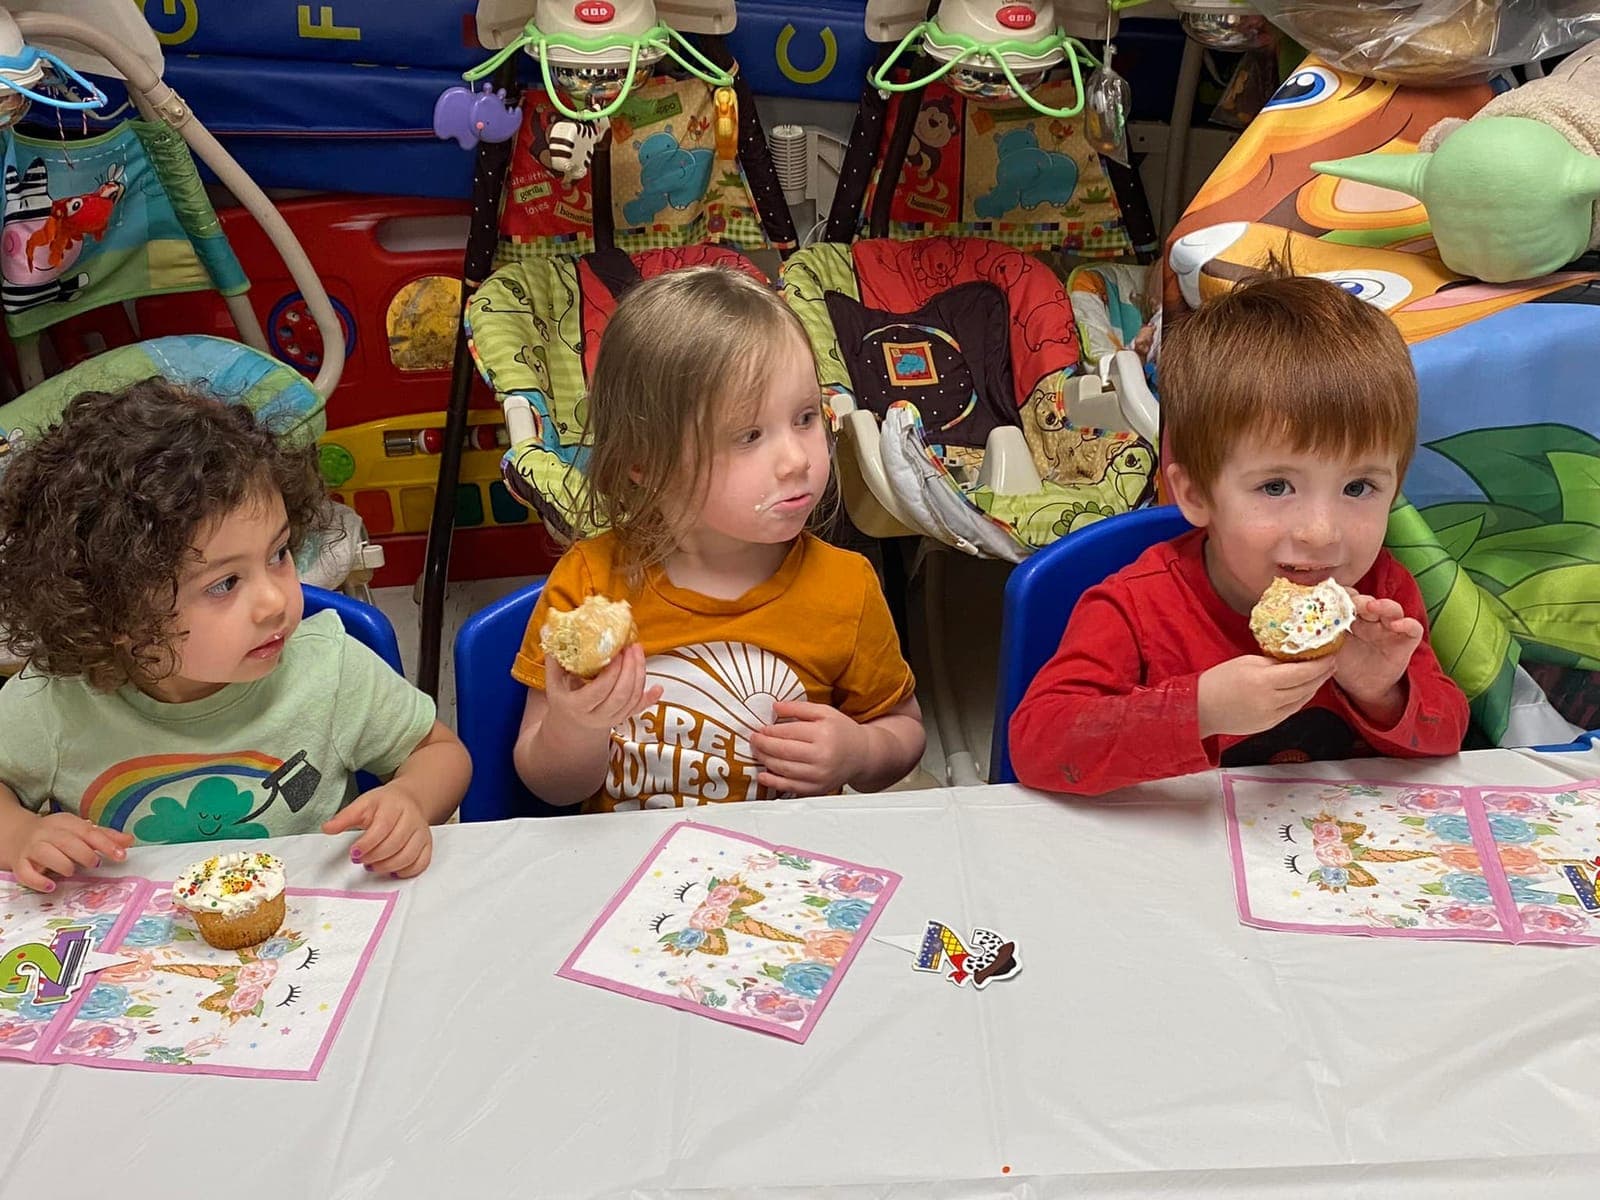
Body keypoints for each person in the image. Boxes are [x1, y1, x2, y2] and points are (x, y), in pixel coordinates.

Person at [1010, 272, 1469, 795]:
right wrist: (1200, 709)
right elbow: (1038, 746)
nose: (1321, 533)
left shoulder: (1382, 596)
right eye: (1276, 487)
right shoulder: (1137, 607)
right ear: (1197, 494)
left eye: (1359, 487)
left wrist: (1382, 691)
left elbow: (1448, 734)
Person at [0, 381, 471, 889]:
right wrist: (22, 832)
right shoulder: (54, 701)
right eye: (224, 584)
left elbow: (440, 753)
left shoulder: (329, 672)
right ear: (112, 613)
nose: (275, 601)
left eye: (278, 554)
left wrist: (411, 801)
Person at [512, 266, 925, 811]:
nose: (798, 459)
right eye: (749, 435)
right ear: (646, 460)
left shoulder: (847, 588)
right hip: (637, 875)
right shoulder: (590, 585)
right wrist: (575, 727)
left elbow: (905, 730)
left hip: (793, 876)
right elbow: (548, 785)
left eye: (805, 418)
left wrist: (861, 751)